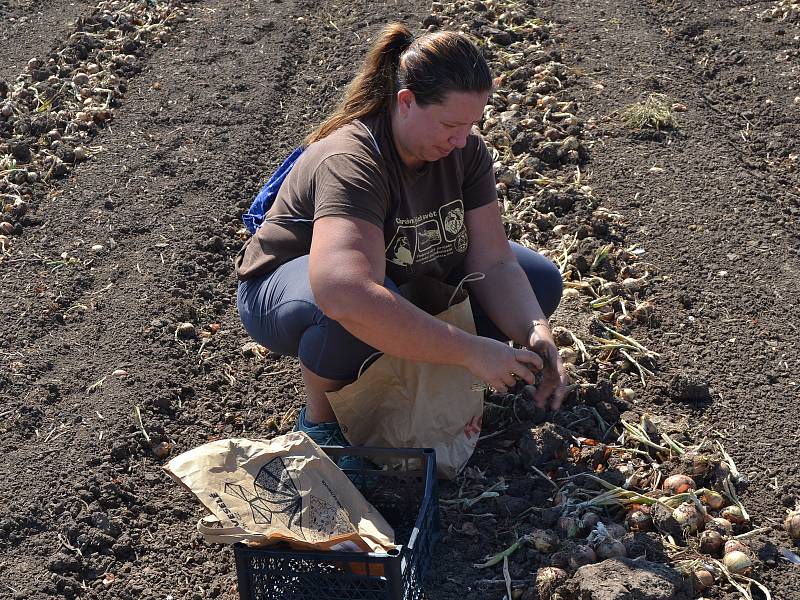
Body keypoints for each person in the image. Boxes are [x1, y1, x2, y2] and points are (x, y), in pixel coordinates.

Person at [235, 23, 568, 447]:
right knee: (351, 309)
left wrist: (536, 332)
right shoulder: (352, 160)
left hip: (399, 267)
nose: (462, 138)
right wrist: (470, 349)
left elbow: (495, 261)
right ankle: (324, 429)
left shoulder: (464, 151)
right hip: (283, 290)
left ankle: (421, 364)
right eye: (451, 124)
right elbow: (345, 292)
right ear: (406, 103)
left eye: (471, 124)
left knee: (538, 282)